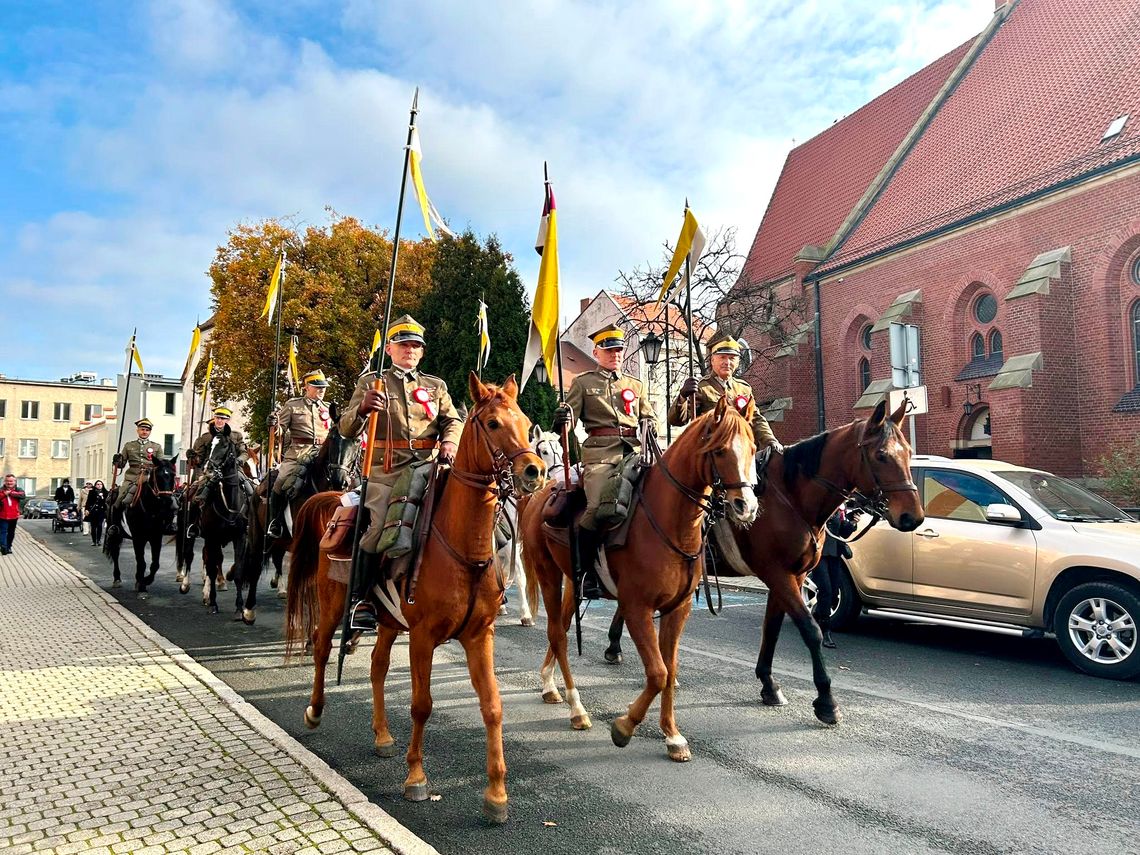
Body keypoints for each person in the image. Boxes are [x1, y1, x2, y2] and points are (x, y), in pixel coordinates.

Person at [339, 314, 463, 629]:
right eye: (403, 344)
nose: (410, 349)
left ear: (422, 351)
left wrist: (449, 443)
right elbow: (345, 428)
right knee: (380, 524)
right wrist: (363, 408)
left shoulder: (435, 385)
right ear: (390, 348)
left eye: (415, 345)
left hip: (430, 465)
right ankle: (361, 599)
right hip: (386, 470)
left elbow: (452, 420)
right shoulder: (372, 382)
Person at [552, 322, 656, 599]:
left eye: (619, 349)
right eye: (609, 350)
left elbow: (647, 415)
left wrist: (650, 424)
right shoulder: (584, 383)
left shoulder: (635, 385)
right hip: (601, 455)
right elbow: (571, 417)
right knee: (598, 506)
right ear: (597, 353)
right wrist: (563, 418)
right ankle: (584, 571)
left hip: (635, 451)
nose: (615, 354)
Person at [668, 334, 782, 452]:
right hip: (711, 452)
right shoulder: (701, 388)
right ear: (712, 360)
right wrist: (683, 397)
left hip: (741, 450)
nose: (727, 362)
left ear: (737, 362)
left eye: (732, 358)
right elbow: (676, 420)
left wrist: (770, 440)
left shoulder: (743, 388)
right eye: (722, 357)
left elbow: (756, 418)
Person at [265, 371, 335, 539]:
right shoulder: (293, 405)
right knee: (281, 482)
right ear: (306, 387)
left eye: (323, 387)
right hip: (299, 453)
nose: (321, 390)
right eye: (317, 387)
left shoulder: (328, 407)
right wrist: (274, 426)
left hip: (324, 454)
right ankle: (275, 522)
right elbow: (281, 431)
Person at [185, 406, 249, 538]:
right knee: (196, 491)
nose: (219, 421)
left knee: (251, 490)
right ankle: (193, 524)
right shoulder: (206, 437)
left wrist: (239, 461)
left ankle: (250, 522)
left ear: (228, 420)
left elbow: (244, 452)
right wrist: (193, 457)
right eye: (217, 418)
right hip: (210, 471)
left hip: (233, 470)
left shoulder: (236, 435)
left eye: (223, 418)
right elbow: (199, 459)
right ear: (214, 419)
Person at [813, 506, 858, 648]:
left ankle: (816, 616)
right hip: (819, 554)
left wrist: (852, 523)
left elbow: (843, 534)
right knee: (825, 590)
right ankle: (825, 632)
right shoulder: (823, 504)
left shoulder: (840, 509)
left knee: (833, 593)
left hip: (834, 555)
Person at [111, 418, 164, 516]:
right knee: (120, 497)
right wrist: (117, 460)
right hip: (132, 477)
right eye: (142, 429)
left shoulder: (157, 447)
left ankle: (170, 522)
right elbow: (121, 465)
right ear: (138, 430)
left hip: (150, 477)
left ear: (150, 432)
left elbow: (161, 465)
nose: (144, 432)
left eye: (147, 430)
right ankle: (115, 524)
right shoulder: (128, 445)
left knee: (166, 497)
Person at [0, 474, 25, 554]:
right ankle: (3, 546)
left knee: (11, 532)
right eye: (7, 481)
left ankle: (8, 546)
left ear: (15, 482)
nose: (9, 483)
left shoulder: (18, 489)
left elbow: (22, 495)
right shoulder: (1, 490)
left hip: (14, 515)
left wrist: (10, 493)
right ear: (5, 481)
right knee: (3, 531)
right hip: (2, 515)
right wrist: (4, 494)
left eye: (11, 481)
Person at [86, 480, 109, 546]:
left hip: (101, 511)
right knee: (93, 526)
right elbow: (88, 501)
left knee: (99, 525)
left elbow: (107, 502)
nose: (99, 485)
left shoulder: (105, 492)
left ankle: (98, 540)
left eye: (100, 484)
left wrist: (102, 497)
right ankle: (94, 541)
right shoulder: (92, 492)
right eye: (98, 484)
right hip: (93, 511)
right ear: (95, 485)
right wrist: (86, 509)